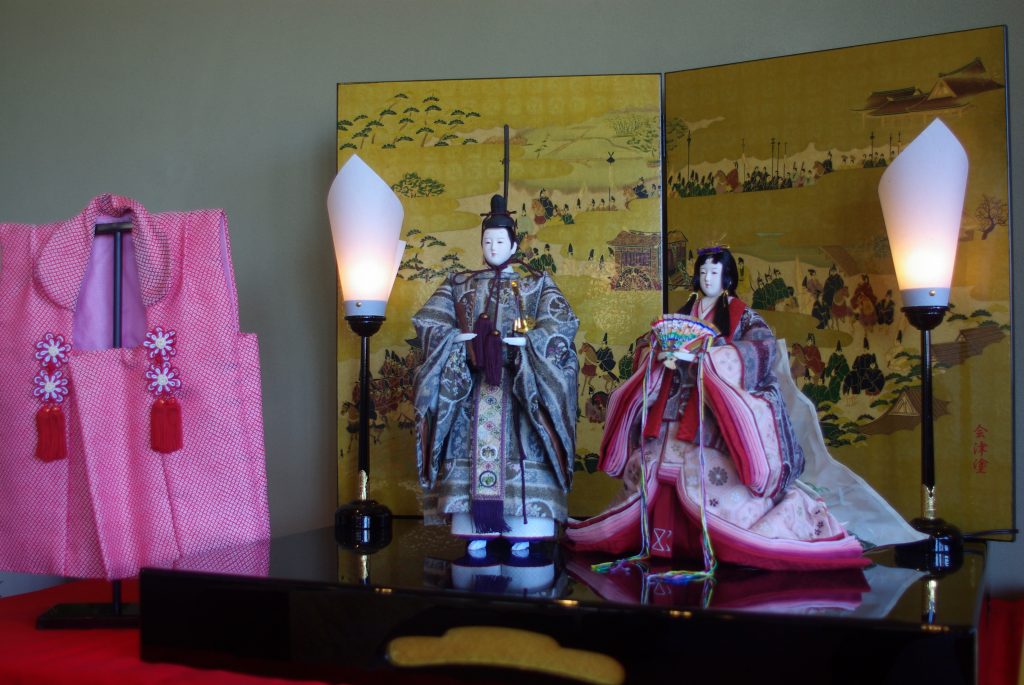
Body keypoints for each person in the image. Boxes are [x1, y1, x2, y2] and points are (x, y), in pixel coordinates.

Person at [566, 245, 866, 570]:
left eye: (715, 272)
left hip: (711, 416)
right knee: (654, 470)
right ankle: (661, 542)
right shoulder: (683, 314)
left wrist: (711, 359)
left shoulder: (743, 317)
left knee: (711, 479)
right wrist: (659, 357)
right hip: (672, 410)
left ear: (727, 278)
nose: (708, 278)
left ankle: (709, 547)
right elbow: (648, 345)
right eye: (704, 272)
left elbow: (762, 349)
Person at [413, 194, 579, 554]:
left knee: (525, 442)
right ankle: (475, 525)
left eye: (500, 241)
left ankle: (526, 524)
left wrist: (531, 343)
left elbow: (562, 326)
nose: (493, 248)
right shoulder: (459, 283)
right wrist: (453, 339)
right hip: (473, 385)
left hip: (521, 386)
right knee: (468, 447)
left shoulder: (536, 284)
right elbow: (429, 322)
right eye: (487, 241)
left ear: (514, 245)